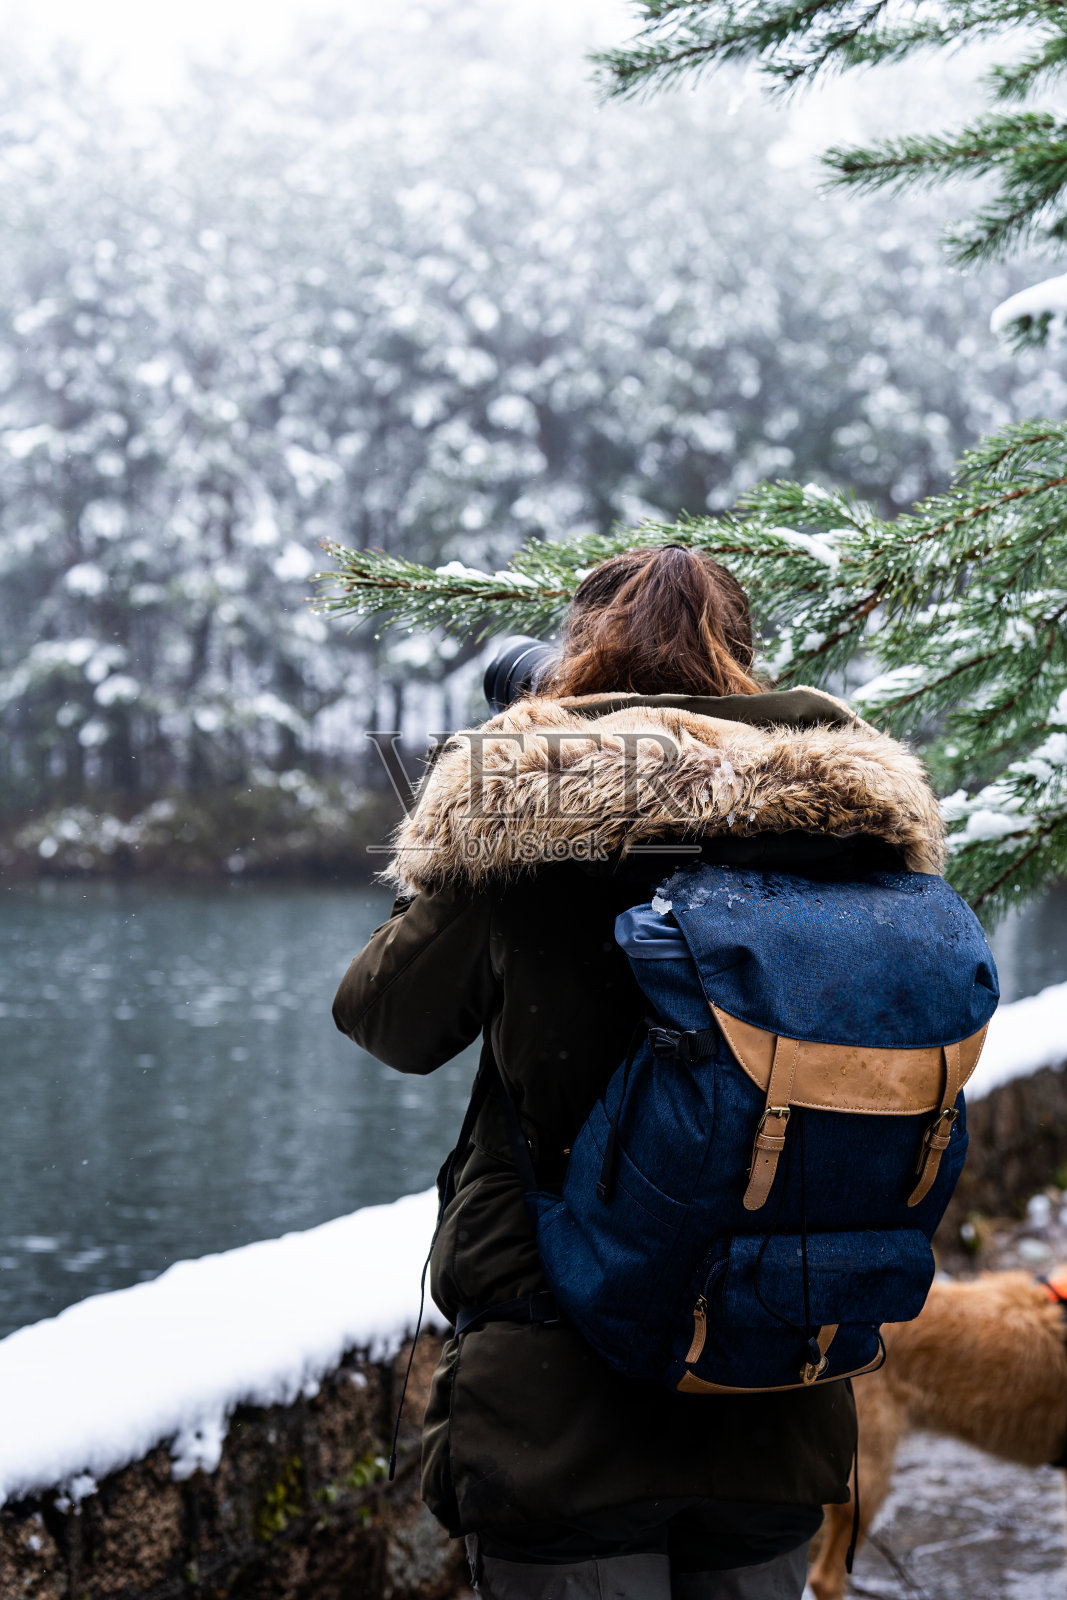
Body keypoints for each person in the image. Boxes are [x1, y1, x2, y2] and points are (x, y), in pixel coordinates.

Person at [332, 545, 945, 1599]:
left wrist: (460, 827)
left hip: (560, 1399)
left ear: (578, 662)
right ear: (744, 670)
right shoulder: (850, 832)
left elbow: (385, 1017)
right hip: (774, 1374)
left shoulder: (521, 820)